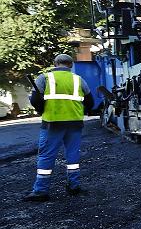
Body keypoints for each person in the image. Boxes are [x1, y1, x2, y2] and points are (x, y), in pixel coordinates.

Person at [24, 54, 94, 202]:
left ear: (55, 63)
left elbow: (35, 99)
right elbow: (90, 102)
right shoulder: (78, 79)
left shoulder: (44, 78)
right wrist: (83, 111)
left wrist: (42, 109)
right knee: (73, 156)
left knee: (46, 155)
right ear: (70, 65)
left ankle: (41, 191)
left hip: (52, 123)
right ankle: (74, 186)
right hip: (74, 124)